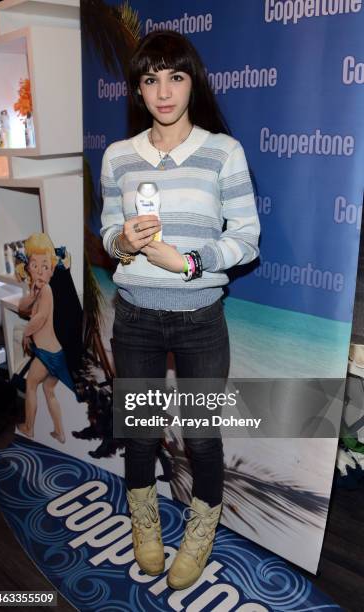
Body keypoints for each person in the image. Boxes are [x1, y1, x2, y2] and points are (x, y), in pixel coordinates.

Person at [100, 30, 260, 590]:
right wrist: (122, 240)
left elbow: (246, 239)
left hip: (200, 319)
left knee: (201, 436)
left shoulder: (223, 152)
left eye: (175, 76)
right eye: (150, 79)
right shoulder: (119, 156)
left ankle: (199, 532)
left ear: (193, 81)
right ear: (137, 90)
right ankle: (145, 524)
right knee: (140, 434)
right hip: (137, 316)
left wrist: (185, 260)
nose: (163, 91)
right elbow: (105, 235)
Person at [16, 233, 75, 444]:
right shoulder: (39, 290)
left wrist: (26, 332)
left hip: (47, 354)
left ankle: (29, 427)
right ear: (27, 268)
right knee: (48, 389)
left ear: (51, 269)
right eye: (34, 265)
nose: (40, 271)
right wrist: (32, 294)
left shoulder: (48, 290)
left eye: (45, 266)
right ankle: (59, 432)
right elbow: (23, 308)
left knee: (31, 384)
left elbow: (39, 318)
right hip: (54, 352)